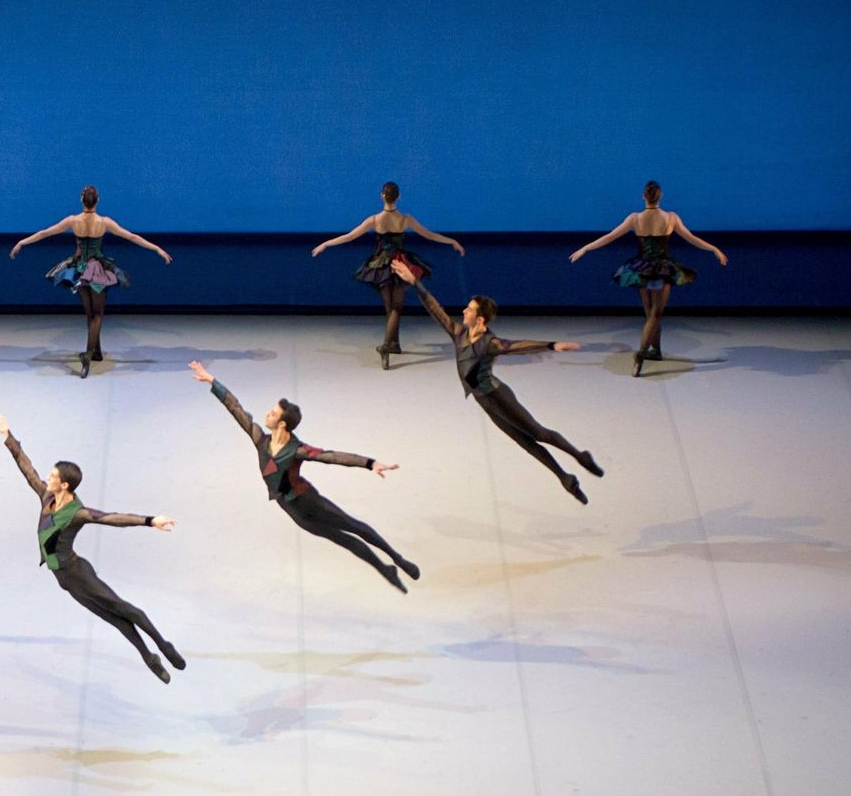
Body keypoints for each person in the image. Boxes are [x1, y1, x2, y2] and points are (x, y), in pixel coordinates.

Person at [189, 362, 416, 593]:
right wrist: (212, 381)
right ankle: (386, 570)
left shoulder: (298, 450)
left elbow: (333, 457)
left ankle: (397, 558)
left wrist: (370, 463)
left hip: (308, 500)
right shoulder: (260, 439)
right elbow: (236, 408)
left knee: (353, 526)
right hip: (291, 509)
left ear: (282, 424)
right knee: (345, 541)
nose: (267, 414)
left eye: (273, 413)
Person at [0, 414, 185, 683]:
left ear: (65, 484)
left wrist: (150, 520)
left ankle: (163, 645)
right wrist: (8, 438)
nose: (47, 478)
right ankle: (148, 657)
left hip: (77, 572)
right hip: (65, 580)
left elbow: (111, 518)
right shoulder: (47, 496)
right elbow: (28, 471)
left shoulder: (77, 513)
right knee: (115, 620)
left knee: (127, 610)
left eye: (53, 476)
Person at [392, 260, 602, 503]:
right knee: (525, 443)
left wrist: (551, 345)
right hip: (485, 402)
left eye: (469, 310)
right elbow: (434, 307)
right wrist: (415, 282)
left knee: (538, 433)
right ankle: (564, 478)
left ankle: (580, 456)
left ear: (480, 319)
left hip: (498, 396)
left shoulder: (490, 342)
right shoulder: (458, 333)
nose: (464, 312)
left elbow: (516, 347)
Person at [568, 181, 729, 376]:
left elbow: (610, 236)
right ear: (660, 196)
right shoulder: (671, 218)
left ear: (643, 196)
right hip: (662, 269)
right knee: (656, 315)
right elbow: (691, 238)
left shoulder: (635, 218)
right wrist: (714, 248)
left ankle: (656, 351)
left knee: (650, 315)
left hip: (643, 269)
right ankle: (641, 354)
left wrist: (585, 248)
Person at [10, 186, 172, 378]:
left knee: (90, 314)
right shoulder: (104, 222)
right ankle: (88, 355)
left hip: (79, 269)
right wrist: (157, 249)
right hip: (96, 270)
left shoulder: (73, 221)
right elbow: (132, 237)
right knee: (98, 314)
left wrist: (22, 242)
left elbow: (45, 233)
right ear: (97, 200)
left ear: (81, 199)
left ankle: (96, 352)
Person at [312, 181, 465, 369]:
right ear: (398, 197)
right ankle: (389, 345)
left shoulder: (375, 220)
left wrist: (326, 244)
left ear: (381, 196)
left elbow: (350, 236)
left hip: (381, 264)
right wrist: (452, 241)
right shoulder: (405, 219)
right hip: (400, 263)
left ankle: (393, 345)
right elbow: (430, 235)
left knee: (390, 307)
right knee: (397, 308)